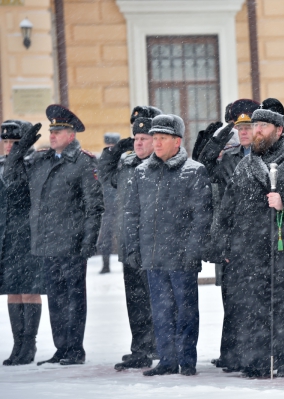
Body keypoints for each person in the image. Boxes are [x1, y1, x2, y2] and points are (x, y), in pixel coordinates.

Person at [216, 105, 284, 378]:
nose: (256, 131)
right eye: (254, 126)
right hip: (247, 250)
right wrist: (223, 242)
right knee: (251, 307)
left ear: (279, 130)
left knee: (283, 306)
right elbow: (228, 205)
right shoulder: (245, 163)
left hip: (281, 247)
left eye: (262, 127)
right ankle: (255, 358)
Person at [4, 105, 104, 366]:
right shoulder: (41, 160)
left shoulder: (83, 162)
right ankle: (62, 348)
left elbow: (94, 206)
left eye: (58, 131)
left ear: (71, 135)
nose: (52, 135)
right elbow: (11, 178)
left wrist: (89, 241)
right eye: (51, 130)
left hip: (71, 242)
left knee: (74, 298)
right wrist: (19, 149)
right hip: (45, 242)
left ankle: (75, 349)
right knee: (57, 300)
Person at [124, 114, 212, 377]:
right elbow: (132, 214)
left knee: (186, 311)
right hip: (153, 255)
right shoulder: (141, 173)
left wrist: (193, 249)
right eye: (155, 138)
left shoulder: (194, 171)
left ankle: (187, 360)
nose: (157, 143)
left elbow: (202, 216)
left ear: (177, 141)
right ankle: (166, 360)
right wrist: (132, 247)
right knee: (160, 312)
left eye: (162, 138)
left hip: (182, 257)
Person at [193, 98, 261, 370]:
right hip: (229, 237)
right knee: (230, 299)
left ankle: (248, 353)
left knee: (252, 300)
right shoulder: (229, 157)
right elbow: (203, 165)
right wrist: (219, 138)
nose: (243, 133)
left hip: (254, 237)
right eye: (238, 128)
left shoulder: (264, 156)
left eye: (248, 127)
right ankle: (231, 354)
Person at [98, 106, 162, 371]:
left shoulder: (161, 166)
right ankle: (140, 349)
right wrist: (114, 150)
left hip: (154, 246)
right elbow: (105, 174)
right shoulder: (125, 163)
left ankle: (161, 346)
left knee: (156, 301)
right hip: (129, 245)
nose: (137, 143)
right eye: (135, 138)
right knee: (135, 302)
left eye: (143, 138)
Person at [0, 120, 45, 366]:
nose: (9, 146)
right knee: (12, 290)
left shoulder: (34, 164)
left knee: (29, 290)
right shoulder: (2, 166)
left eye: (15, 142)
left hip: (28, 234)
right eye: (6, 141)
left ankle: (29, 344)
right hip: (7, 236)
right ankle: (17, 344)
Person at [97, 132, 121, 274]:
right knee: (105, 238)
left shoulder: (124, 161)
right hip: (106, 206)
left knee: (124, 238)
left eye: (113, 145)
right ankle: (105, 265)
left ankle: (127, 265)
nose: (110, 148)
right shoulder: (100, 161)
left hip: (120, 206)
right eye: (109, 145)